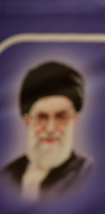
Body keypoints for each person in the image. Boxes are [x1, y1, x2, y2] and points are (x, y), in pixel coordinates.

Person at [0, 62, 92, 201]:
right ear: (27, 121)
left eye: (61, 117)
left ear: (74, 119)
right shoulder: (7, 176)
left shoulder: (86, 173)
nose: (50, 129)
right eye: (42, 117)